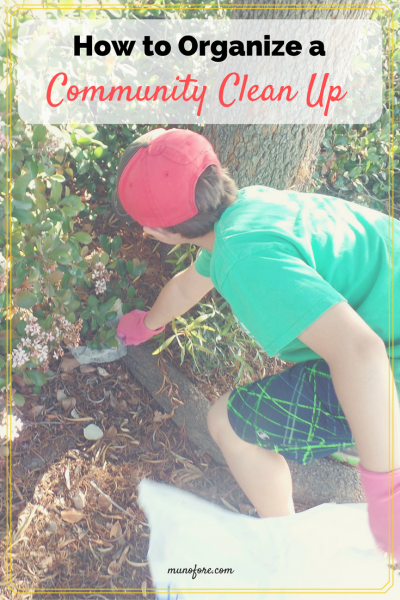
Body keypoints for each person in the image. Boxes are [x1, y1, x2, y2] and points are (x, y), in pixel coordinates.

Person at [113, 127, 399, 563]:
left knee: (228, 425)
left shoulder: (245, 259)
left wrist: (387, 498)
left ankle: (285, 544)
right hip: (383, 322)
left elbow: (361, 353)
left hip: (384, 359)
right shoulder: (250, 210)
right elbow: (191, 284)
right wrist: (147, 324)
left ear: (161, 233)